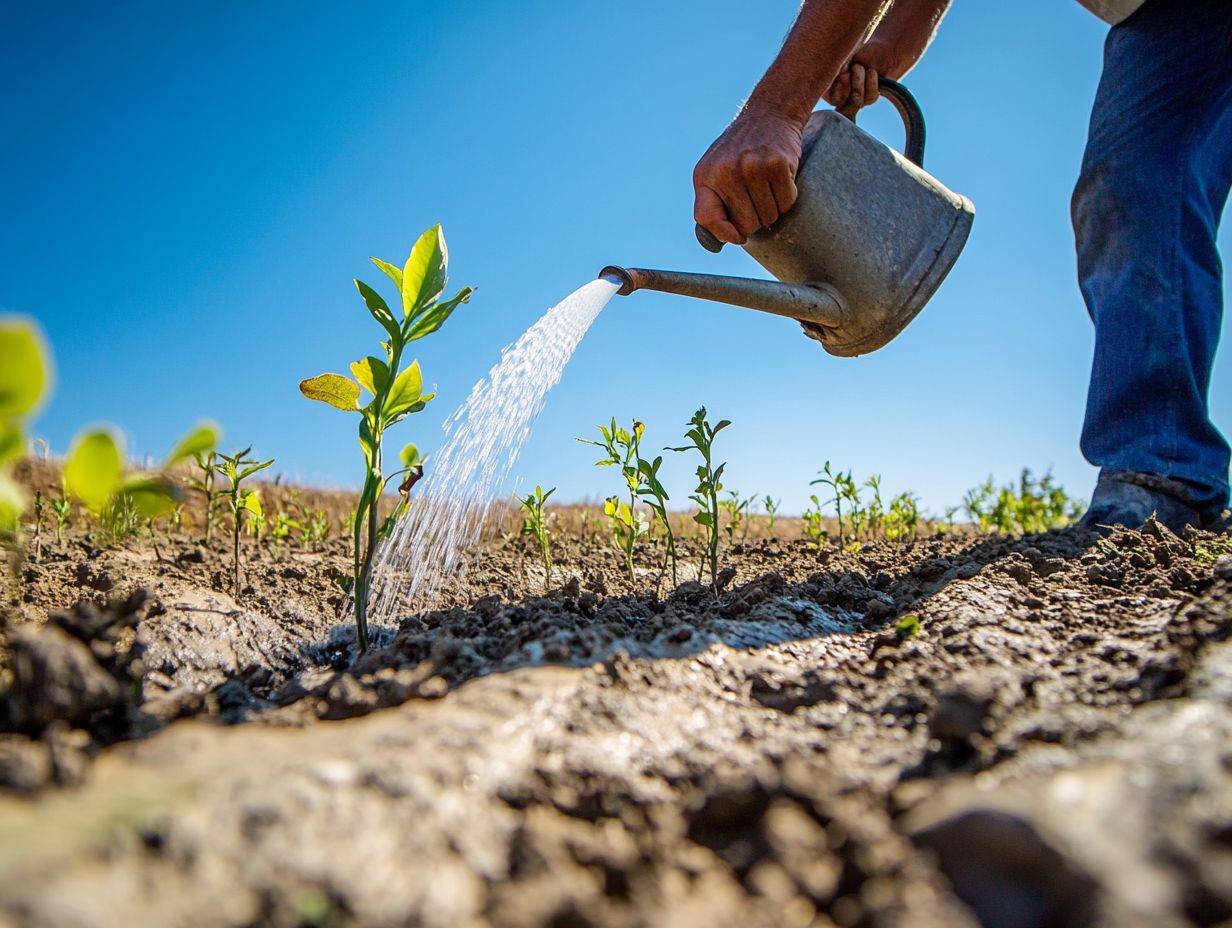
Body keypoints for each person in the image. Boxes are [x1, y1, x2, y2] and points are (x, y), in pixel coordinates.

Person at [694, 0, 1232, 534]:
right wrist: (884, 49)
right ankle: (1159, 472)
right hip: (1163, 18)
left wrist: (776, 112)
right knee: (1132, 192)